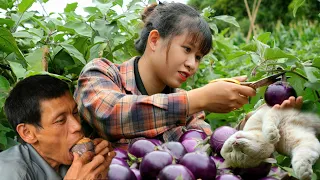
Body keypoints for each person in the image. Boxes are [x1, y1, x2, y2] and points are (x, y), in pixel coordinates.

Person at [73, 2, 300, 149]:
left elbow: (210, 150)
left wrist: (254, 126)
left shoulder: (191, 112)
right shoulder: (101, 73)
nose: (192, 64)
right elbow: (109, 115)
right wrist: (197, 99)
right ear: (154, 40)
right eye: (187, 49)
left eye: (199, 57)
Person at [0, 75, 115, 180]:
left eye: (75, 113)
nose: (77, 126)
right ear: (28, 133)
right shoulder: (11, 173)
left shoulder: (65, 160)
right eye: (60, 120)